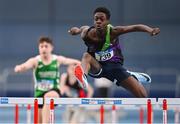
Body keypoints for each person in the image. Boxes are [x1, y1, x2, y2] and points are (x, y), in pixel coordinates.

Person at [68, 7, 160, 97]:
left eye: (102, 19)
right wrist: (74, 31)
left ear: (108, 21)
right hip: (97, 66)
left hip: (114, 67)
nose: (98, 21)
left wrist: (150, 30)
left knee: (143, 96)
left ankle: (131, 75)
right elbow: (78, 30)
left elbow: (135, 27)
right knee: (86, 56)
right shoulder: (86, 33)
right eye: (96, 19)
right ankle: (83, 78)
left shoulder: (114, 32)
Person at [14, 36, 80, 123]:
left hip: (54, 92)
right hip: (39, 93)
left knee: (49, 96)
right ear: (39, 48)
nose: (44, 49)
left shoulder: (57, 59)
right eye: (41, 46)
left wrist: (80, 63)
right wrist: (19, 68)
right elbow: (25, 65)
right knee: (38, 122)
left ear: (51, 48)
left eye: (46, 46)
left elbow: (71, 61)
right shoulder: (35, 61)